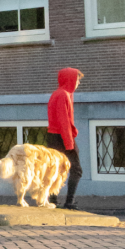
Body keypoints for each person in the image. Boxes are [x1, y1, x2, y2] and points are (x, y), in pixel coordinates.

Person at [47, 68, 84, 210]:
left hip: (53, 136)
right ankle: (69, 201)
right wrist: (69, 143)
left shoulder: (59, 94)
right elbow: (64, 121)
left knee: (56, 168)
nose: (78, 83)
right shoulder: (63, 95)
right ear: (70, 80)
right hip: (62, 136)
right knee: (76, 169)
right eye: (77, 79)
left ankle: (53, 200)